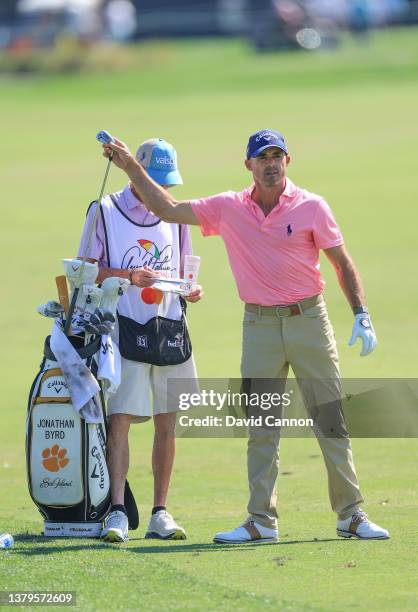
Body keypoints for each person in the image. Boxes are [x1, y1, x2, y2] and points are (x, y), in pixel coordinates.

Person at [102, 129, 389, 543]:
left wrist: (361, 313)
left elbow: (341, 263)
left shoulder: (312, 207)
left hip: (309, 319)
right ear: (249, 165)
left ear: (287, 161)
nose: (271, 163)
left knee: (330, 418)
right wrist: (130, 165)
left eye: (278, 156)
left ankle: (351, 514)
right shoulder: (228, 208)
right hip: (258, 326)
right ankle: (261, 521)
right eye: (263, 157)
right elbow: (166, 209)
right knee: (262, 425)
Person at [78, 138, 203, 543]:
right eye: (154, 180)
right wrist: (128, 277)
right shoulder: (105, 211)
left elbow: (184, 272)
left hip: (169, 326)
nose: (161, 192)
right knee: (121, 421)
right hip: (122, 328)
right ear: (136, 176)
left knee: (168, 422)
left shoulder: (177, 215)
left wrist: (190, 290)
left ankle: (159, 513)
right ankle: (116, 510)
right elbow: (83, 272)